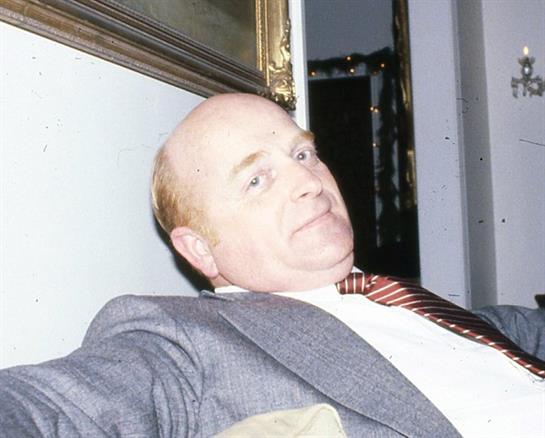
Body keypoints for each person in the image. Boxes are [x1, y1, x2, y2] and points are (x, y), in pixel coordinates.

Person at [1, 93, 544, 437]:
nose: (309, 180)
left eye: (302, 154)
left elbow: (514, 332)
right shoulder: (181, 340)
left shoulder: (399, 300)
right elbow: (52, 409)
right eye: (256, 179)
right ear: (201, 250)